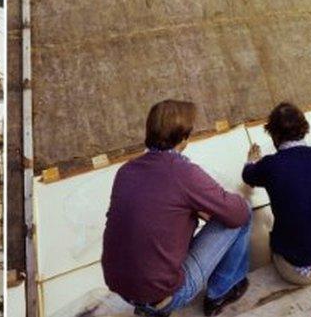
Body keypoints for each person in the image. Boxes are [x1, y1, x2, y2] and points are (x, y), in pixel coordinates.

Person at [102, 100, 252, 317]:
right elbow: (236, 214)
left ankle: (149, 308)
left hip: (123, 290)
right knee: (244, 210)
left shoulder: (126, 171)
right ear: (184, 138)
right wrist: (205, 206)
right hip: (165, 295)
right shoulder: (183, 172)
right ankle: (221, 291)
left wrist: (190, 209)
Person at [241, 102, 311, 285]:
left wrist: (251, 161)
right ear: (304, 129)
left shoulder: (270, 165)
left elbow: (247, 176)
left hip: (296, 269)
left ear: (274, 134)